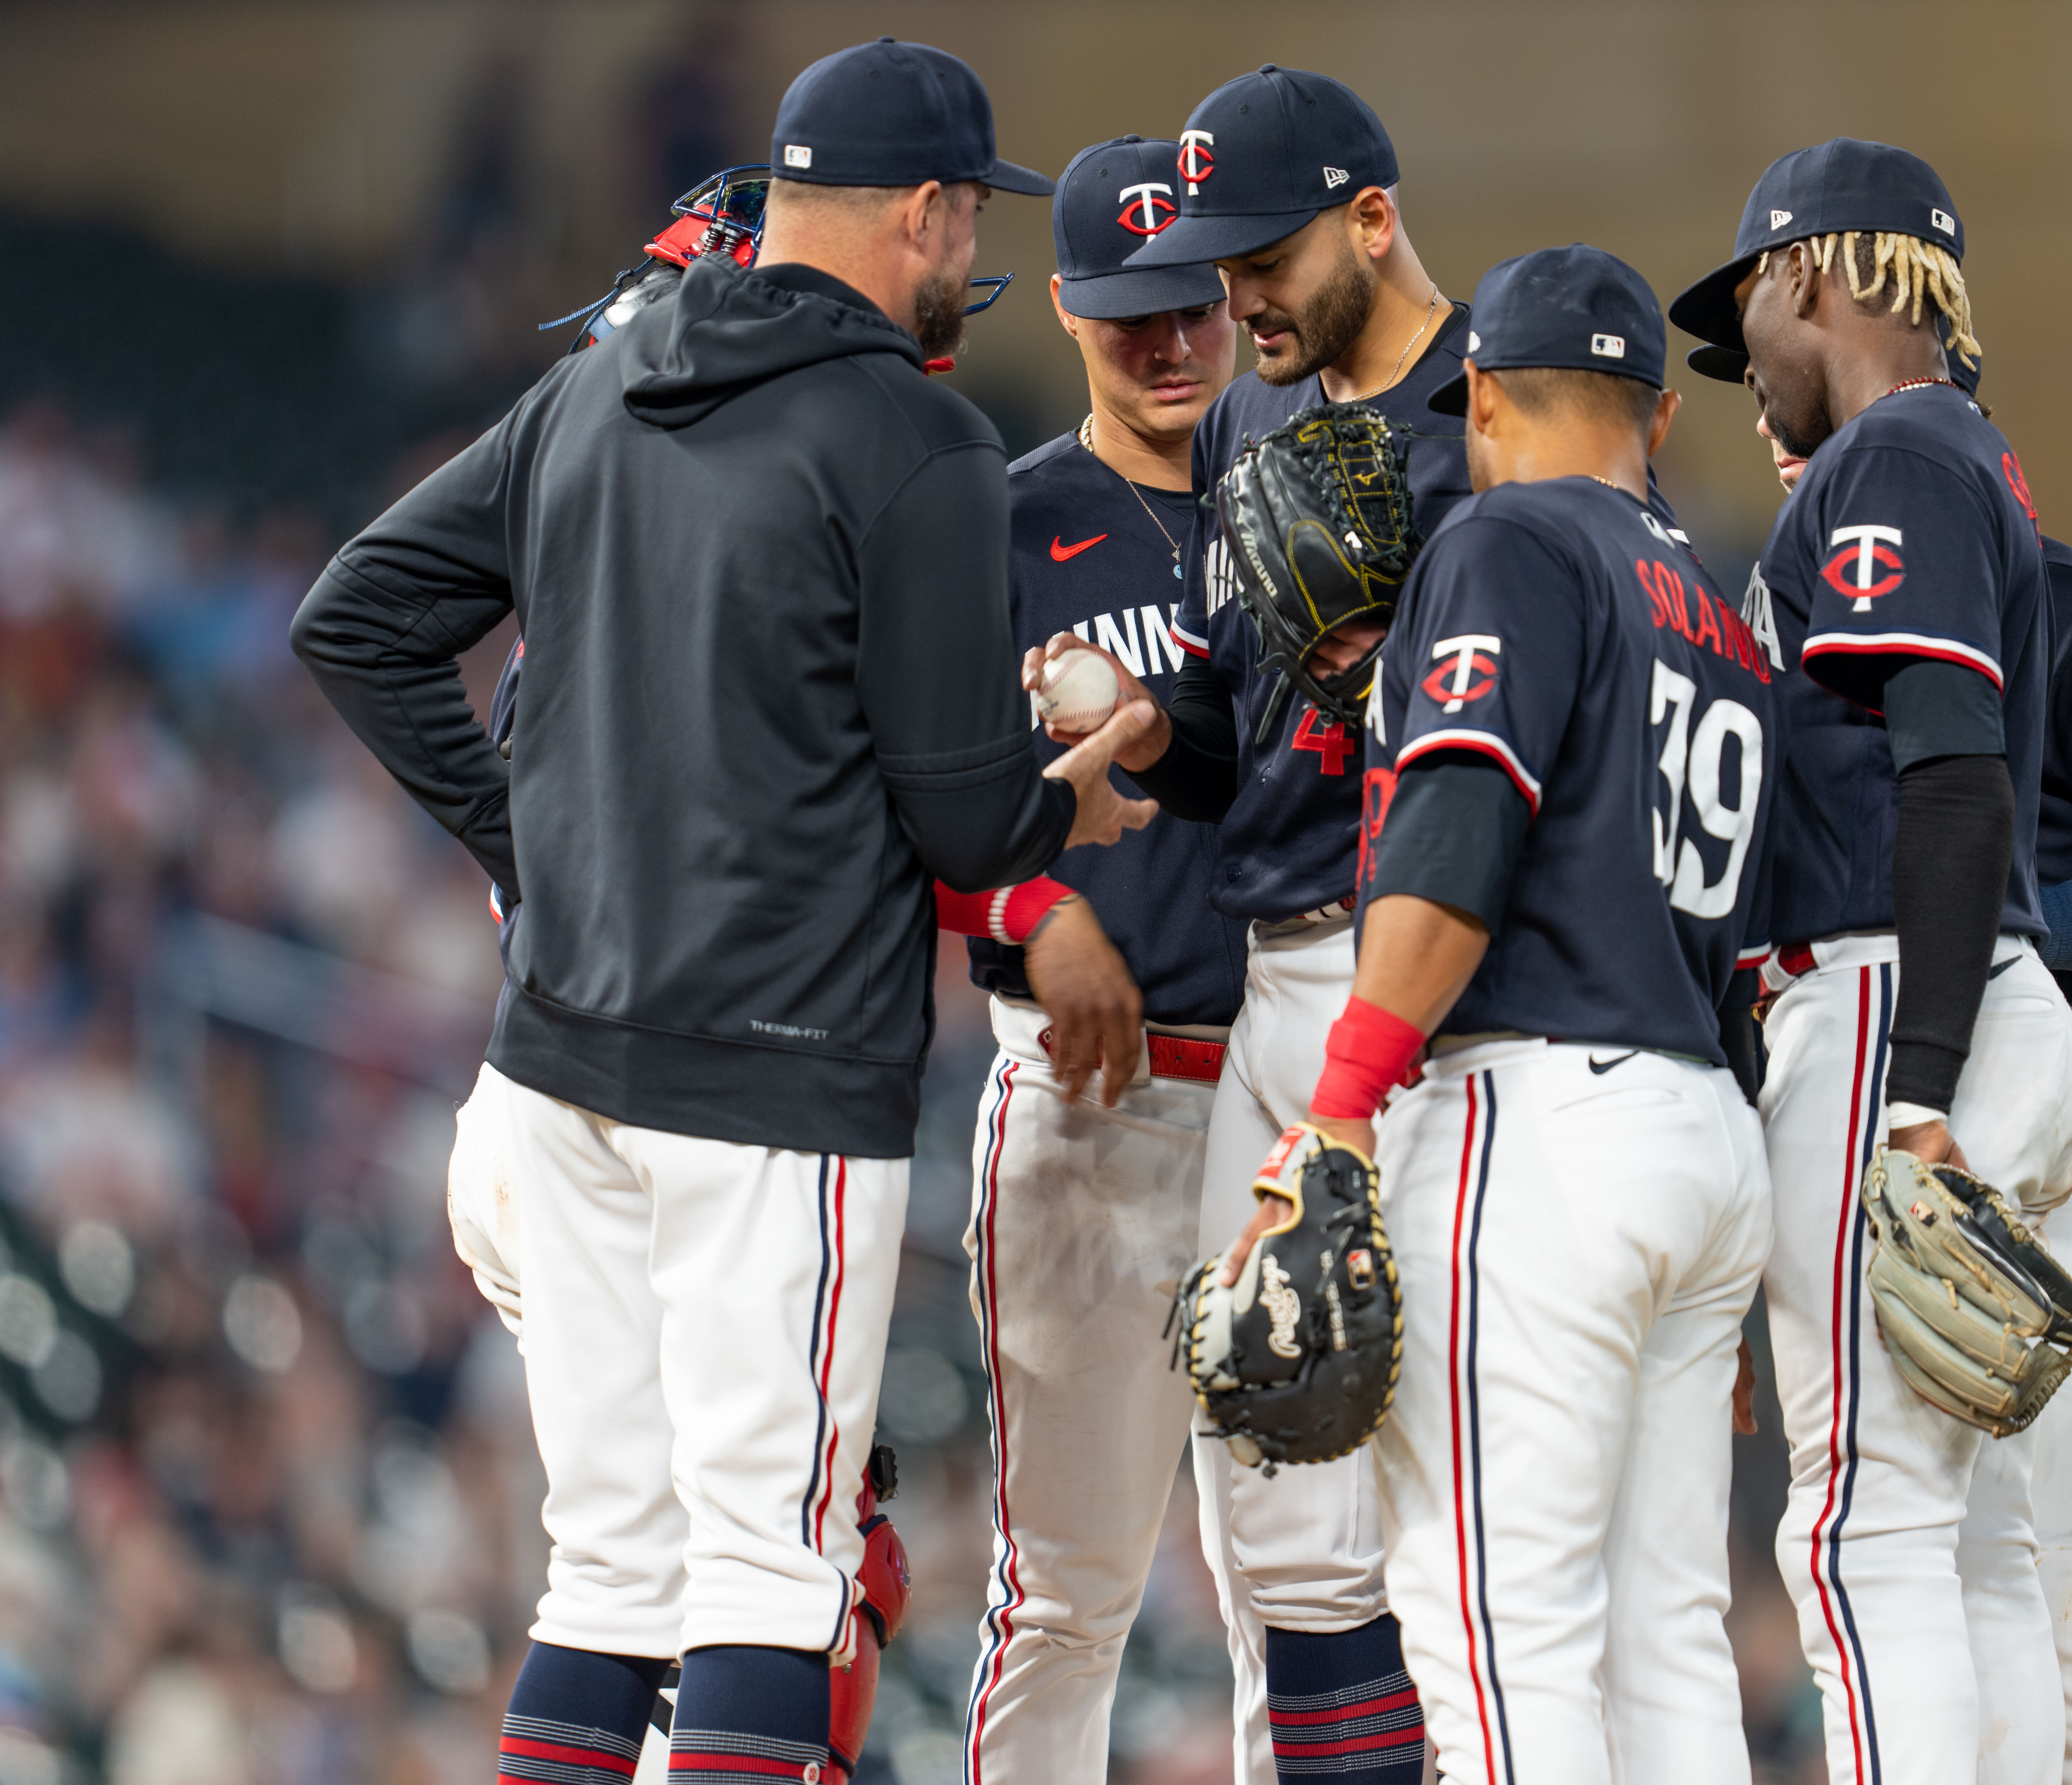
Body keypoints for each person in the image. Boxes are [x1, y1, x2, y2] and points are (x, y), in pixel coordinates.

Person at [294, 40, 1158, 1785]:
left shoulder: (599, 389)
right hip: (769, 1092)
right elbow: (966, 810)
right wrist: (1087, 785)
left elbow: (358, 615)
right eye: (956, 221)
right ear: (921, 209)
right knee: (771, 1572)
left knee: (610, 1571)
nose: (955, 254)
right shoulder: (916, 431)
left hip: (556, 1071)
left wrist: (529, 844)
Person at [1254, 243, 1778, 1783]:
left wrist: (1340, 1101)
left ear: (1475, 391)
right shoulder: (1722, 618)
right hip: (1696, 1122)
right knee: (1666, 1629)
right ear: (1660, 418)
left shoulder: (1503, 546)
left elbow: (1456, 840)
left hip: (1541, 1123)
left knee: (1497, 1627)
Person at [1035, 65, 1472, 1783]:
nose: (1231, 302)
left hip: (1442, 998)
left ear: (1370, 218)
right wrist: (1152, 726)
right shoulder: (1245, 422)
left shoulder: (1498, 414)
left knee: (1461, 1528)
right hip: (1279, 985)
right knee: (1278, 1504)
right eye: (1218, 263)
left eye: (1262, 256)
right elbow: (1237, 722)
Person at [1750, 376, 2072, 1783]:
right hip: (1875, 1130)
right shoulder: (1789, 653)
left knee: (2051, 1624)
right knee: (1951, 1584)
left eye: (1819, 423)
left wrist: (1998, 917)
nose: (1788, 448)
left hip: (2061, 1154)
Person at [1670, 137, 2072, 1785]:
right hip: (1971, 1005)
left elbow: (1951, 768)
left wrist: (1913, 1093)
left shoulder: (1898, 454)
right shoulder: (1953, 453)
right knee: (1964, 1536)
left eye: (1748, 316)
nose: (1742, 369)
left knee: (1868, 1534)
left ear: (1811, 277)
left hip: (1894, 1009)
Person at [953, 134, 1247, 1785]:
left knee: (1310, 1593)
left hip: (1288, 1101)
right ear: (1066, 306)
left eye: (1194, 302)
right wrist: (1024, 914)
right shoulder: (1002, 526)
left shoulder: (1315, 520)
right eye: (1131, 310)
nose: (1169, 342)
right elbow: (918, 814)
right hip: (1089, 1116)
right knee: (1067, 1594)